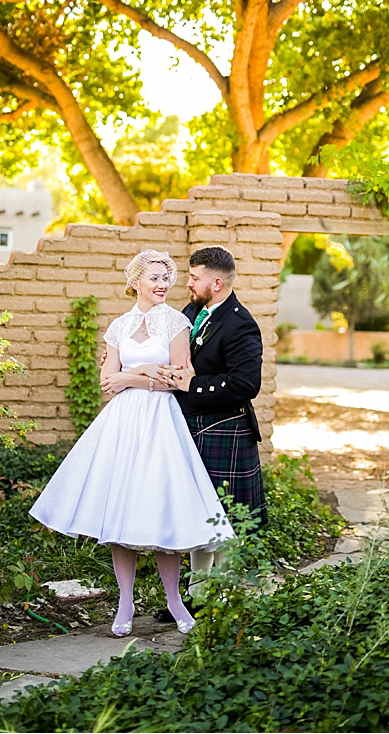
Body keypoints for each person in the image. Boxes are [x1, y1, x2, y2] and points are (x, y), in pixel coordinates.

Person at [29, 249, 233, 637]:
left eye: (165, 278)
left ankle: (174, 599)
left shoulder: (176, 322)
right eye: (153, 278)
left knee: (160, 509)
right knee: (119, 513)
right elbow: (108, 384)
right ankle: (124, 602)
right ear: (135, 281)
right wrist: (138, 371)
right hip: (122, 424)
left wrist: (130, 375)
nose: (162, 285)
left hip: (161, 421)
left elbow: (178, 376)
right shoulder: (118, 327)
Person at [155, 245, 266, 611]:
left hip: (223, 427)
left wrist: (192, 385)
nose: (188, 284)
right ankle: (195, 596)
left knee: (223, 518)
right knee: (196, 510)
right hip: (189, 423)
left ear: (216, 283)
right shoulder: (193, 310)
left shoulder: (241, 324)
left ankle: (223, 597)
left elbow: (247, 384)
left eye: (195, 278)